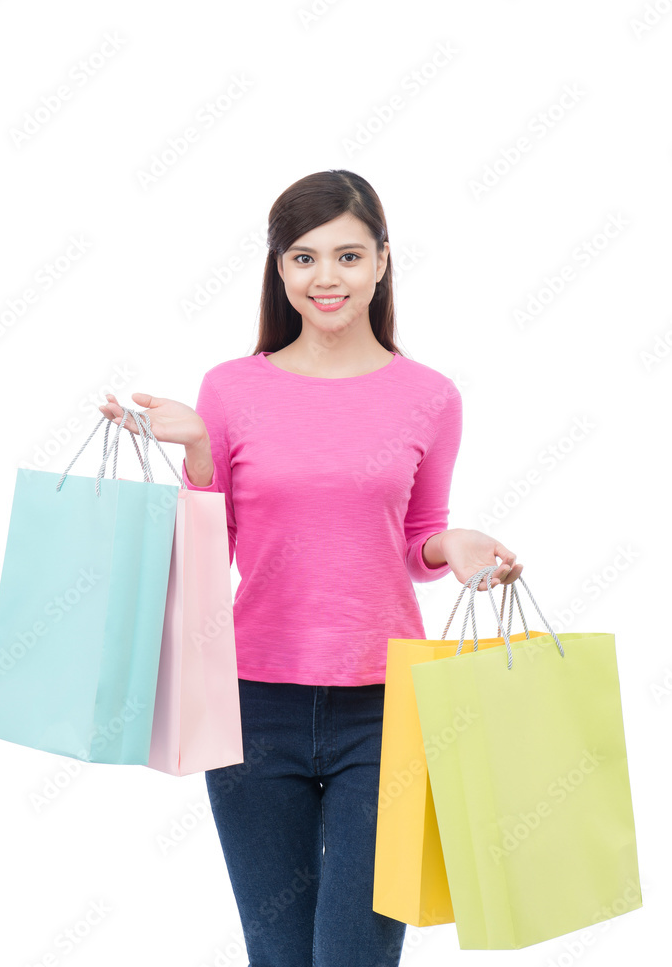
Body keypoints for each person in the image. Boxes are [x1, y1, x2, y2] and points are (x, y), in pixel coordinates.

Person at [98, 169, 522, 967]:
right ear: (280, 269)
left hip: (388, 708)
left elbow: (417, 534)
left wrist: (452, 546)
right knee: (279, 955)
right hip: (254, 708)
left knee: (354, 955)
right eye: (303, 258)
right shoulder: (228, 391)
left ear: (383, 262)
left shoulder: (430, 397)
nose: (326, 278)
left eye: (348, 256)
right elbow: (207, 548)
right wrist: (196, 452)